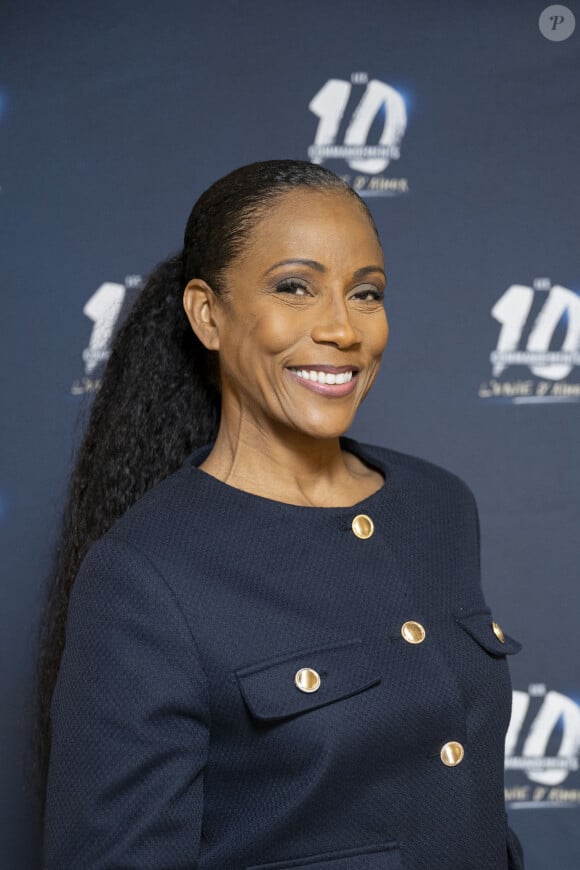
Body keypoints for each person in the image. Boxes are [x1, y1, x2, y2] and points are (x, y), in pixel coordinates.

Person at [37, 159, 524, 869]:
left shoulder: (438, 505)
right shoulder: (144, 576)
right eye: (294, 287)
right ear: (208, 314)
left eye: (366, 293)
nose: (342, 329)